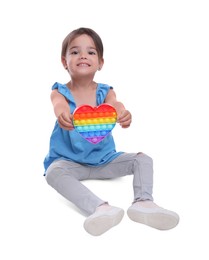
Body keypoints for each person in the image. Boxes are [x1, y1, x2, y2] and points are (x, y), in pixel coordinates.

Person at [44, 27, 179, 236]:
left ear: (100, 63)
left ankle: (143, 203)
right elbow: (58, 105)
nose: (83, 56)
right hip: (70, 161)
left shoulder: (105, 91)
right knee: (53, 172)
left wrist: (122, 113)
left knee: (143, 160)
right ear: (64, 62)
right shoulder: (59, 91)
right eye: (74, 52)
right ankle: (100, 209)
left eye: (91, 52)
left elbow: (115, 104)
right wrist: (62, 114)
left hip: (105, 160)